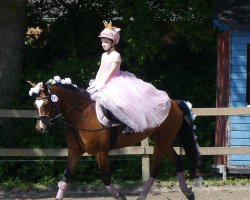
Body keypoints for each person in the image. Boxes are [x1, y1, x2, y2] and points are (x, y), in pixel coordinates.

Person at [87, 20, 171, 134]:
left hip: (115, 81)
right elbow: (101, 70)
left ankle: (130, 124)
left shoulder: (116, 55)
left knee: (120, 103)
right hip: (103, 81)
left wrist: (103, 83)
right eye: (102, 42)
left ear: (112, 42)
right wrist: (97, 82)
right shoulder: (103, 55)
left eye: (106, 42)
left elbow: (111, 72)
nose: (103, 44)